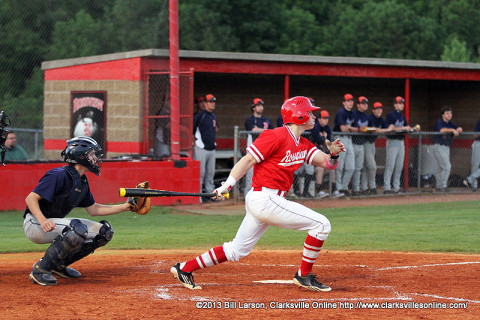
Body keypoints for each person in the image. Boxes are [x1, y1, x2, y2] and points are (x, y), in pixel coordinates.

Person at [170, 96, 345, 292]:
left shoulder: (302, 143)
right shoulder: (275, 135)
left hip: (268, 200)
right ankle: (303, 275)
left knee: (237, 250)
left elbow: (328, 164)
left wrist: (334, 154)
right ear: (299, 115)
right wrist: (227, 184)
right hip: (265, 199)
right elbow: (248, 160)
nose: (314, 116)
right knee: (322, 225)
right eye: (310, 112)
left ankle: (184, 268)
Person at [24, 136, 138, 286]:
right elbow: (30, 198)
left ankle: (59, 265)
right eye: (92, 154)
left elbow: (94, 209)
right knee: (76, 230)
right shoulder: (58, 175)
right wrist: (43, 220)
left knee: (104, 232)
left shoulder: (82, 181)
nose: (95, 158)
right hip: (35, 224)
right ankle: (40, 270)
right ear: (80, 156)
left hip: (52, 224)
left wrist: (126, 206)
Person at [362, 102, 394, 195]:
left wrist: (391, 127)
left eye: (380, 108)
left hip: (372, 144)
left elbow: (386, 128)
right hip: (365, 143)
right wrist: (388, 129)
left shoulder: (381, 119)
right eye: (377, 109)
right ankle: (371, 187)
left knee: (366, 167)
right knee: (372, 166)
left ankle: (365, 188)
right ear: (373, 110)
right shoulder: (370, 118)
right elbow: (374, 130)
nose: (379, 110)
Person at [244, 98, 274, 195]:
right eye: (258, 106)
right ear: (253, 108)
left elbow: (272, 132)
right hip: (253, 148)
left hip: (265, 149)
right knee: (251, 173)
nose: (261, 107)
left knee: (265, 172)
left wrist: (259, 129)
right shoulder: (250, 119)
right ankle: (248, 194)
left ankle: (262, 194)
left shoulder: (266, 120)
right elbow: (253, 130)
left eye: (262, 105)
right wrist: (264, 131)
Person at [384, 96, 412, 194]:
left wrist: (408, 129)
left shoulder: (402, 116)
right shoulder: (390, 115)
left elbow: (407, 127)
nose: (402, 105)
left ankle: (396, 188)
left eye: (402, 103)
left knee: (399, 166)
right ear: (395, 104)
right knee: (390, 165)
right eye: (399, 103)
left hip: (401, 142)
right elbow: (390, 128)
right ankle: (387, 188)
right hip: (392, 141)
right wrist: (404, 128)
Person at [193, 94, 219, 202]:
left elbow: (216, 128)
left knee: (210, 173)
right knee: (201, 173)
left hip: (211, 148)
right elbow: (192, 129)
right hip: (201, 147)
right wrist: (194, 141)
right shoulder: (200, 116)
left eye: (213, 102)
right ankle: (198, 196)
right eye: (210, 102)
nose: (213, 104)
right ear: (206, 103)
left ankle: (210, 195)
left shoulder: (213, 116)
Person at [432, 106, 462, 192]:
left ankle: (439, 186)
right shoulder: (440, 121)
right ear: (442, 115)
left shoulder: (450, 123)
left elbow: (457, 128)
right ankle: (443, 186)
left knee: (441, 168)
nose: (449, 115)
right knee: (447, 167)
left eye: (450, 113)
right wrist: (452, 130)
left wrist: (459, 129)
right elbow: (441, 130)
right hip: (439, 146)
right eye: (447, 113)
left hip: (446, 147)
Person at [332, 93, 357, 197]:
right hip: (340, 138)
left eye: (351, 100)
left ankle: (344, 187)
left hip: (349, 138)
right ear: (344, 103)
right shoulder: (341, 112)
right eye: (348, 101)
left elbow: (357, 129)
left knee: (351, 167)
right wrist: (351, 128)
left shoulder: (352, 114)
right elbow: (343, 129)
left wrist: (350, 128)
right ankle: (338, 189)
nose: (350, 102)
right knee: (340, 166)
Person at [311, 110, 334, 198]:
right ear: (319, 119)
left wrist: (324, 138)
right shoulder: (315, 127)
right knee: (320, 169)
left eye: (327, 118)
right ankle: (319, 191)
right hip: (312, 155)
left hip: (321, 153)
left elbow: (329, 144)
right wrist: (324, 137)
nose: (326, 120)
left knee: (332, 168)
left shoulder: (327, 128)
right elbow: (319, 140)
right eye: (324, 118)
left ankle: (334, 190)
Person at [351, 96, 369, 196]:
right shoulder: (353, 114)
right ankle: (343, 188)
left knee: (358, 168)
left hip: (362, 144)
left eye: (366, 103)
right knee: (350, 168)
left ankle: (356, 189)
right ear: (358, 105)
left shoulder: (366, 116)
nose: (365, 105)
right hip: (352, 143)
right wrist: (358, 129)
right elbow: (349, 127)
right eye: (363, 103)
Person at [463, 119, 480, 192]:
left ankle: (470, 179)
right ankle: (474, 186)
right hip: (478, 144)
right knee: (475, 165)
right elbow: (475, 134)